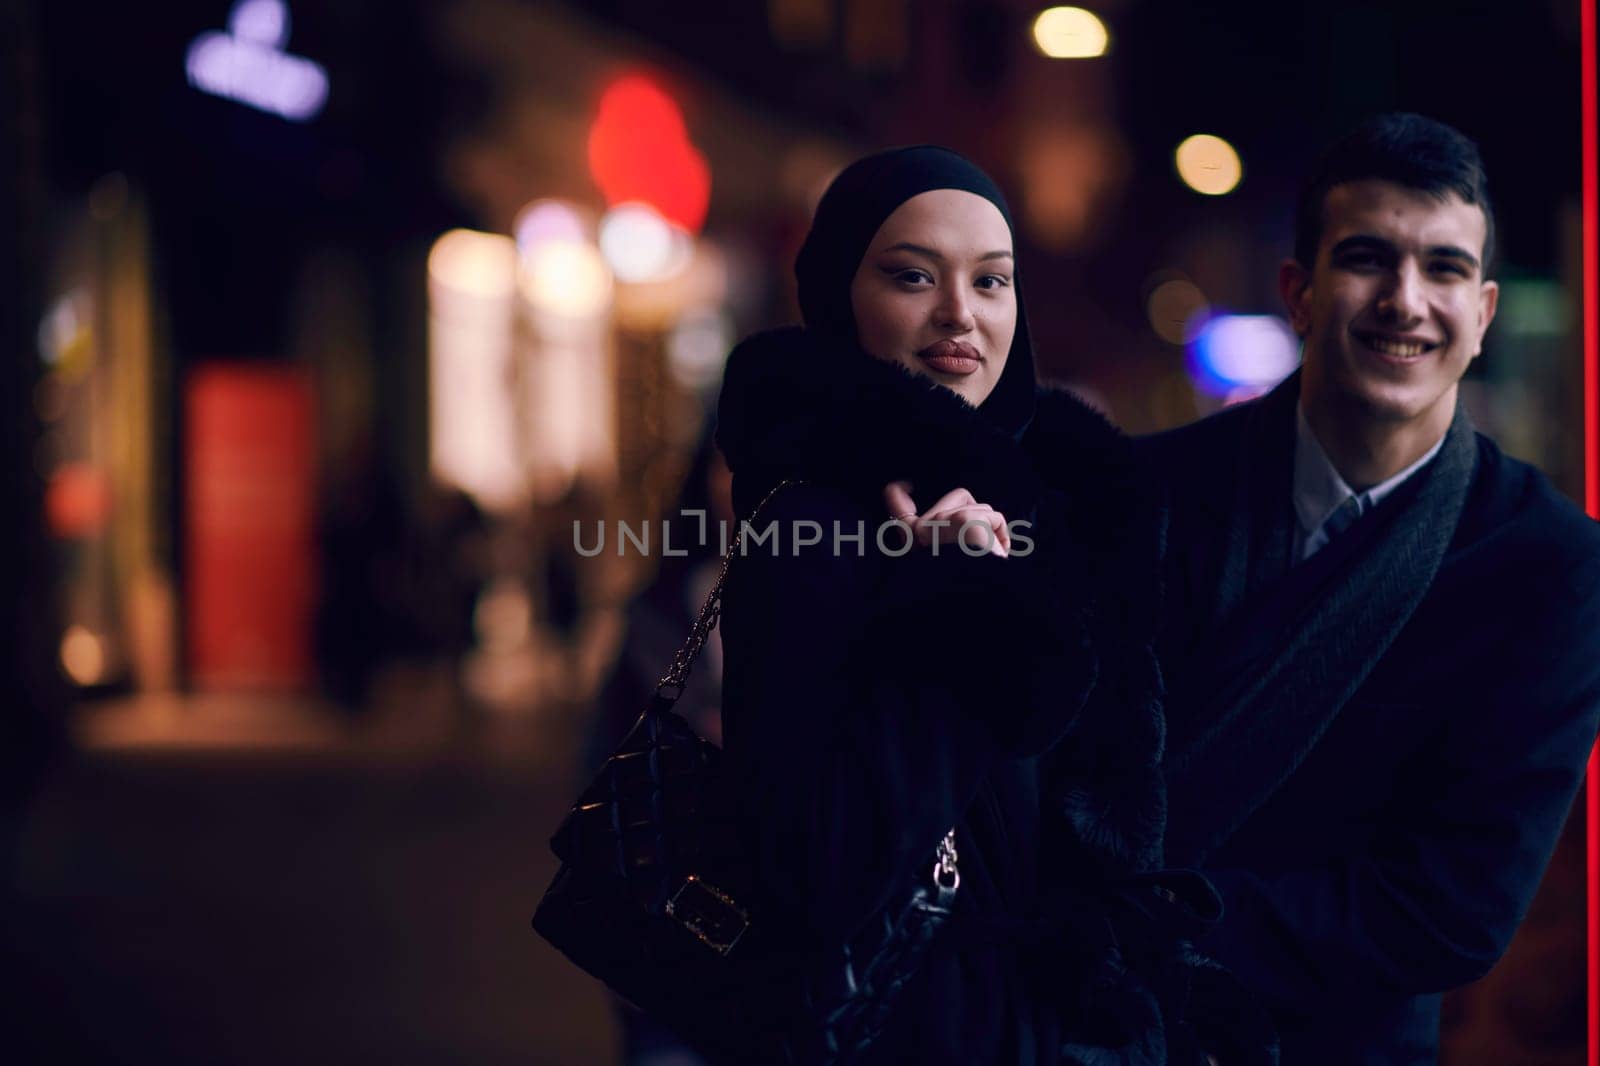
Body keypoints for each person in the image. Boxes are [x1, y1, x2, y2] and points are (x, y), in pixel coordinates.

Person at [715, 147, 1264, 1065]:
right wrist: (949, 599)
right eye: (911, 276)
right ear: (837, 293)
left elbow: (1108, 822)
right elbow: (816, 869)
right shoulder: (810, 526)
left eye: (993, 281)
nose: (960, 315)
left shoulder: (1066, 509)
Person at [1131, 113, 1600, 1063]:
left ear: (1485, 314)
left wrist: (1138, 919)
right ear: (1299, 293)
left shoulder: (1552, 567)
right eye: (1367, 258)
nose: (1405, 299)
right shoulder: (1145, 496)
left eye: (1445, 268)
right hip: (1092, 1033)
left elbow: (1453, 913)